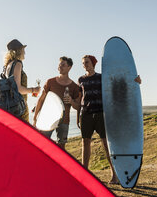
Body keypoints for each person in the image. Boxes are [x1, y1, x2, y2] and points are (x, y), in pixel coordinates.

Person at [77, 55, 141, 184]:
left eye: (87, 62)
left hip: (101, 114)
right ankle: (85, 173)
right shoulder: (81, 79)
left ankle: (114, 174)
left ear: (93, 63)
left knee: (106, 145)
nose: (85, 65)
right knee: (85, 143)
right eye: (83, 63)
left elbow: (118, 85)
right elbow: (80, 99)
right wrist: (78, 115)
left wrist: (134, 80)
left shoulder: (102, 77)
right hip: (86, 114)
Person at [33, 56, 80, 149]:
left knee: (61, 147)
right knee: (43, 144)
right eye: (59, 65)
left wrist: (71, 101)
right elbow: (41, 100)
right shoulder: (50, 82)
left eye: (63, 65)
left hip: (64, 120)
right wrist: (35, 118)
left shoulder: (74, 86)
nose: (60, 67)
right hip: (48, 118)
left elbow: (78, 106)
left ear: (69, 67)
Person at [3, 39, 41, 122]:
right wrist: (34, 90)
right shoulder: (18, 63)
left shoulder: (7, 66)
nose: (24, 52)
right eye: (23, 50)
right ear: (18, 51)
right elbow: (18, 89)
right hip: (19, 106)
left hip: (9, 106)